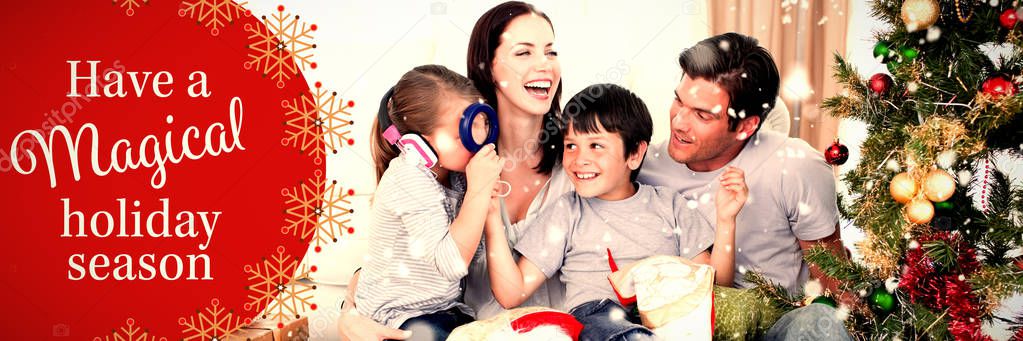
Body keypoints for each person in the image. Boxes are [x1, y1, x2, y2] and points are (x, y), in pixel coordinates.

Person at [338, 3, 572, 340]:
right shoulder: (451, 168)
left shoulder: (583, 159)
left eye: (551, 51)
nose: (544, 64)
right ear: (489, 68)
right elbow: (396, 262)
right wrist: (350, 314)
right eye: (524, 52)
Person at [485, 84, 748, 340]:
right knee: (601, 318)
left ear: (634, 153)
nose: (579, 159)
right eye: (570, 146)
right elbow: (512, 293)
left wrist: (726, 221)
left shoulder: (670, 205)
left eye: (596, 146)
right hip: (597, 315)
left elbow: (712, 289)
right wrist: (492, 216)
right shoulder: (567, 212)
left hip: (664, 315)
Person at [636, 32, 852, 340]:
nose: (678, 122)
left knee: (820, 321)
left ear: (746, 125)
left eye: (702, 114)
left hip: (780, 326)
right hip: (690, 328)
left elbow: (836, 284)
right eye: (678, 101)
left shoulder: (795, 166)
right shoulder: (644, 167)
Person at [354, 64, 504, 341]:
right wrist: (479, 192)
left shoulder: (457, 176)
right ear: (416, 145)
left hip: (445, 311)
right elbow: (453, 264)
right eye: (463, 135)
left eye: (479, 125)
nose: (478, 141)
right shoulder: (407, 176)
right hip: (397, 318)